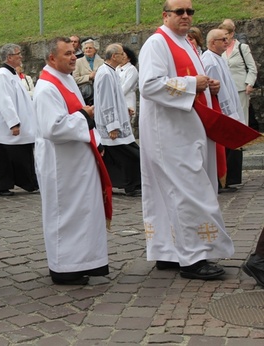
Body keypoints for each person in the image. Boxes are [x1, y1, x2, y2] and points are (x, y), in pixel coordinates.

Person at [138, 0, 234, 280]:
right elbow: (149, 85)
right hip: (168, 134)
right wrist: (194, 84)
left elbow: (189, 80)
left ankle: (169, 252)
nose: (185, 16)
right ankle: (193, 260)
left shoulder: (185, 43)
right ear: (165, 15)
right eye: (179, 11)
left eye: (190, 11)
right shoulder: (157, 43)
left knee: (169, 193)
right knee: (187, 194)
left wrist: (207, 85)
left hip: (185, 131)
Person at [33, 37, 111, 285]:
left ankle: (83, 262)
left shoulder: (64, 79)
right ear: (51, 58)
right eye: (67, 54)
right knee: (65, 214)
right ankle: (64, 267)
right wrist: (84, 115)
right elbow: (52, 127)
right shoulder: (47, 87)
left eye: (73, 53)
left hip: (76, 161)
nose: (72, 58)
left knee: (82, 213)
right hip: (61, 164)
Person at [0, 43, 38, 196]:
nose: (21, 56)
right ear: (9, 57)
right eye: (18, 54)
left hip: (18, 123)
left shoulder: (12, 74)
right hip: (7, 125)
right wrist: (13, 123)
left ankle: (30, 183)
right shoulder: (2, 75)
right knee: (4, 157)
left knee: (23, 154)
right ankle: (2, 186)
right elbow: (4, 101)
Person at [94, 43, 141, 197]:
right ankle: (130, 185)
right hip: (113, 126)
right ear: (114, 56)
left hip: (117, 120)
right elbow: (106, 101)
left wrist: (123, 108)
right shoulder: (106, 74)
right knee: (131, 155)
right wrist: (112, 126)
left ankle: (127, 184)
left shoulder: (111, 71)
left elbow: (116, 96)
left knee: (121, 156)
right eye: (121, 54)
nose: (123, 56)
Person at [201, 28, 245, 191]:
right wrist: (228, 111)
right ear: (213, 42)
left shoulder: (218, 58)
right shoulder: (210, 61)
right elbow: (218, 90)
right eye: (223, 40)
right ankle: (222, 181)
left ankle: (230, 179)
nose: (227, 42)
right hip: (221, 109)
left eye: (227, 39)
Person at [219, 22, 257, 126]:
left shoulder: (242, 47)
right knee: (229, 117)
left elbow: (252, 68)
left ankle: (243, 139)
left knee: (242, 117)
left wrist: (249, 83)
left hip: (241, 88)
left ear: (231, 34)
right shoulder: (221, 49)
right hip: (226, 89)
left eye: (225, 34)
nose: (223, 37)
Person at [73, 39, 104, 105]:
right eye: (86, 48)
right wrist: (89, 77)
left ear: (95, 50)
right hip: (84, 94)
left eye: (90, 48)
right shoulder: (78, 62)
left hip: (99, 93)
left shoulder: (101, 62)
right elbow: (75, 79)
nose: (88, 49)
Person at [116, 45, 139, 117]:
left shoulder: (132, 69)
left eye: (123, 55)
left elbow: (127, 86)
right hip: (117, 100)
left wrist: (115, 95)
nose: (121, 57)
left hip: (127, 100)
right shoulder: (117, 68)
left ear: (129, 58)